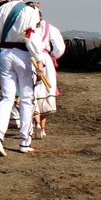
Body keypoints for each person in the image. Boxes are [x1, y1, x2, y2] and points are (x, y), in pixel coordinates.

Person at [0, 0, 44, 157]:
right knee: (27, 98)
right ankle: (24, 141)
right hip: (22, 54)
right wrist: (39, 60)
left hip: (4, 54)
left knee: (6, 97)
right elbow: (31, 38)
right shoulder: (29, 11)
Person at [32, 11, 65, 139]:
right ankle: (42, 128)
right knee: (45, 92)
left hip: (30, 59)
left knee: (33, 92)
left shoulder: (25, 26)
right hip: (45, 59)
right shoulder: (49, 27)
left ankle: (35, 124)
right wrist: (52, 57)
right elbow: (59, 48)